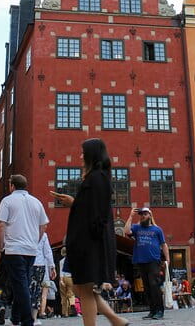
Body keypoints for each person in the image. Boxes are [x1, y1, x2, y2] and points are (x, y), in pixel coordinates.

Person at [51, 138, 129, 326]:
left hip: (89, 244)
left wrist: (74, 204)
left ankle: (113, 320)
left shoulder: (97, 179)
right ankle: (115, 319)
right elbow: (92, 209)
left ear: (91, 155)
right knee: (82, 290)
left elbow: (97, 215)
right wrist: (74, 203)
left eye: (83, 153)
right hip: (89, 242)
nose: (80, 156)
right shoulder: (96, 178)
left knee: (84, 290)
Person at [0, 174, 49, 326]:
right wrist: (35, 241)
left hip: (13, 249)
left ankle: (27, 320)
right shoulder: (36, 202)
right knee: (21, 282)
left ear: (12, 186)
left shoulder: (7, 201)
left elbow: (0, 225)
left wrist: (1, 246)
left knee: (20, 284)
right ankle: (16, 317)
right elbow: (43, 225)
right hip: (31, 250)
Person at [124, 206, 169, 320]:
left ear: (150, 215)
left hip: (154, 261)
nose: (143, 216)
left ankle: (160, 311)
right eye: (141, 214)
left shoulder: (157, 229)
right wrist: (131, 216)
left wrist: (167, 259)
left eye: (145, 214)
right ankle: (152, 311)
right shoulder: (137, 228)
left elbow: (163, 245)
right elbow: (126, 231)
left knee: (154, 285)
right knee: (147, 287)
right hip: (141, 261)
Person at [30, 232, 56, 326]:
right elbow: (48, 251)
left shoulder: (27, 230)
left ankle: (22, 315)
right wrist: (52, 266)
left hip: (27, 263)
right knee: (37, 291)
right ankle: (34, 317)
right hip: (39, 264)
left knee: (25, 289)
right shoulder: (43, 235)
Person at [0, 250, 13, 325]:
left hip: (5, 259)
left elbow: (0, 251)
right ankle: (15, 315)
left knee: (5, 286)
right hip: (17, 257)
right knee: (16, 287)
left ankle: (2, 306)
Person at [58, 247, 75, 318]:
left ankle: (64, 313)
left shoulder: (61, 261)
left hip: (63, 278)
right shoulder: (73, 260)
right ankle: (72, 305)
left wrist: (61, 280)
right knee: (71, 293)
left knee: (63, 296)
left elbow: (61, 272)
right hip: (71, 278)